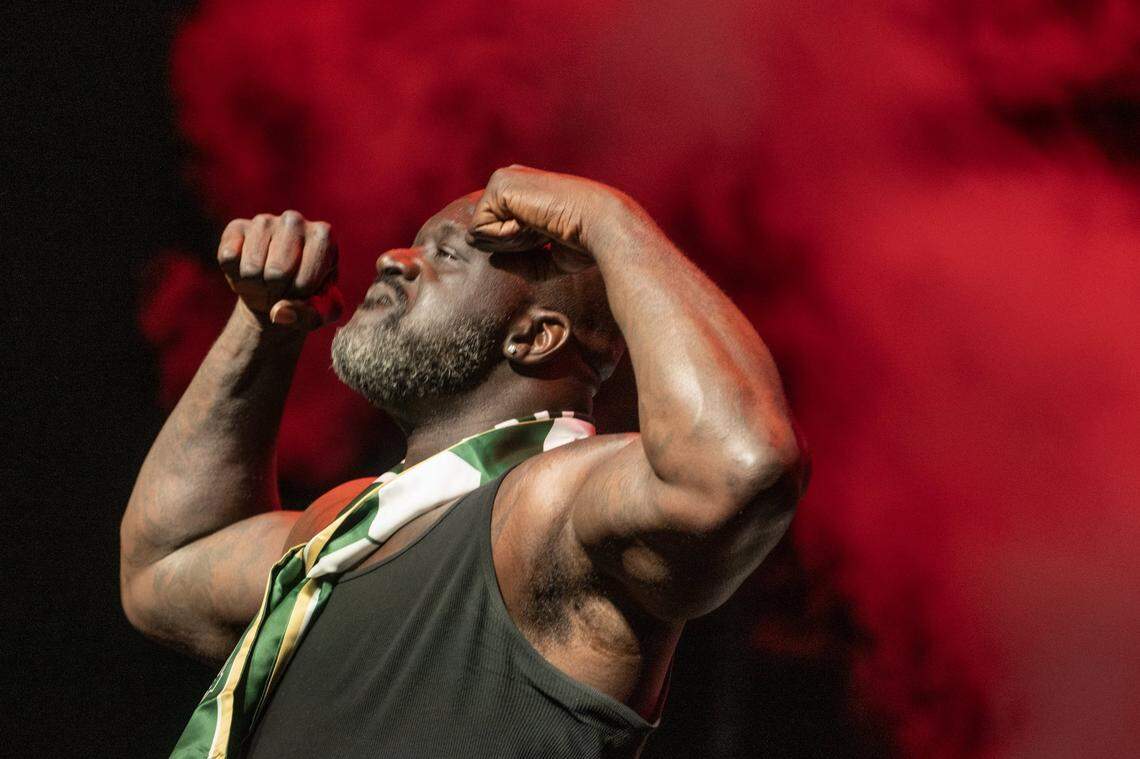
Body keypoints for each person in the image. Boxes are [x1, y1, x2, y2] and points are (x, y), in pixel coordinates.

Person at [120, 166, 809, 758]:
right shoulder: (349, 528)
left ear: (537, 336)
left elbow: (739, 464)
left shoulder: (548, 508)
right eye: (412, 245)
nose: (393, 259)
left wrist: (608, 218)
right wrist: (263, 322)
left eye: (447, 255)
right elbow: (166, 563)